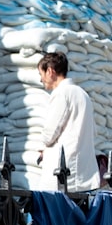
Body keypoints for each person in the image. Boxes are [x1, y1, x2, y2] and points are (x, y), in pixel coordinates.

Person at [34, 51, 101, 193]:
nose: (41, 80)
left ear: (50, 71)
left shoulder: (61, 93)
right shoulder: (83, 94)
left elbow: (49, 134)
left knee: (50, 212)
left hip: (64, 174)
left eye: (41, 74)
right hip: (83, 172)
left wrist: (43, 146)